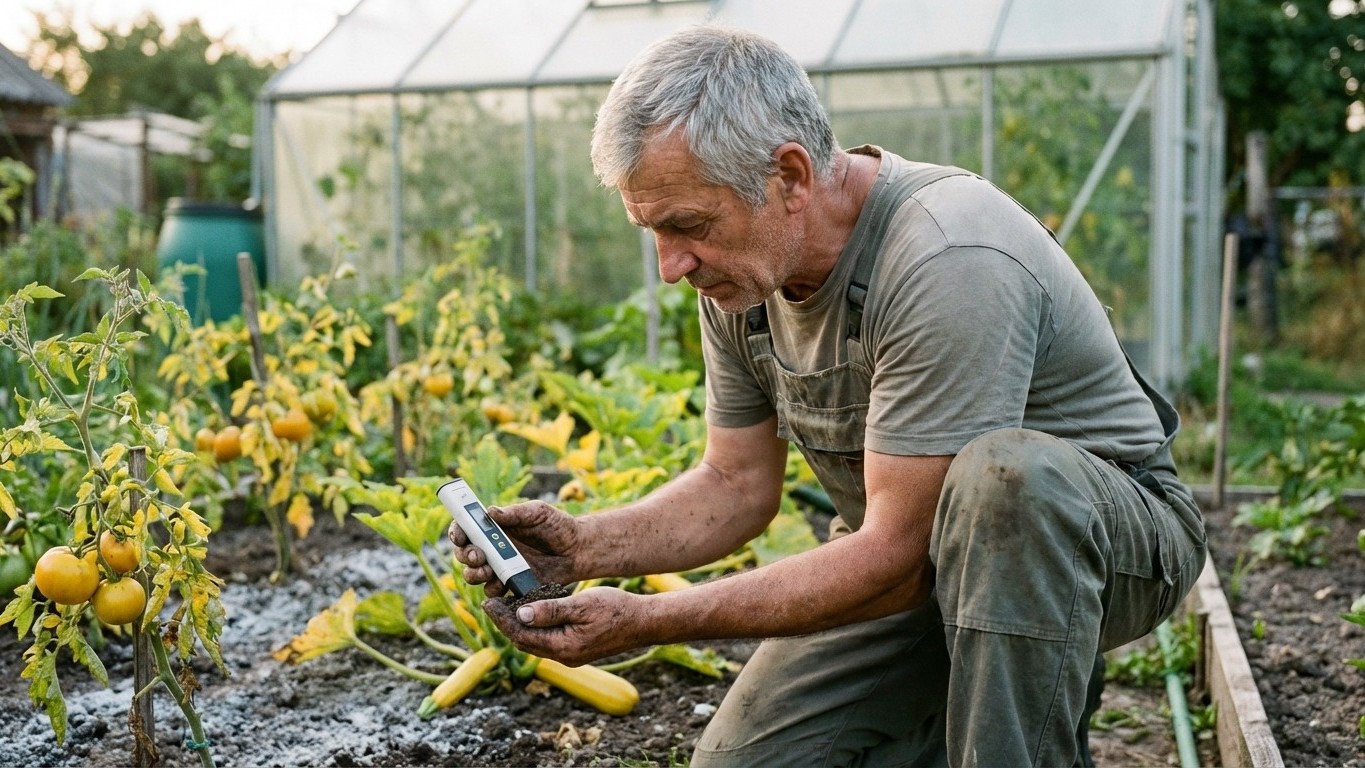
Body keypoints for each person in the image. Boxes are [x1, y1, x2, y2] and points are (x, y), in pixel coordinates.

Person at [450, 23, 1206, 767]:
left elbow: (896, 556)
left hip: (1102, 547)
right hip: (910, 557)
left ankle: (1027, 698)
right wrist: (583, 548)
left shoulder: (947, 253)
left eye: (686, 225)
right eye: (650, 230)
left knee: (1004, 482)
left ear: (789, 176)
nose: (670, 266)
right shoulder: (741, 280)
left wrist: (650, 619)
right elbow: (734, 484)